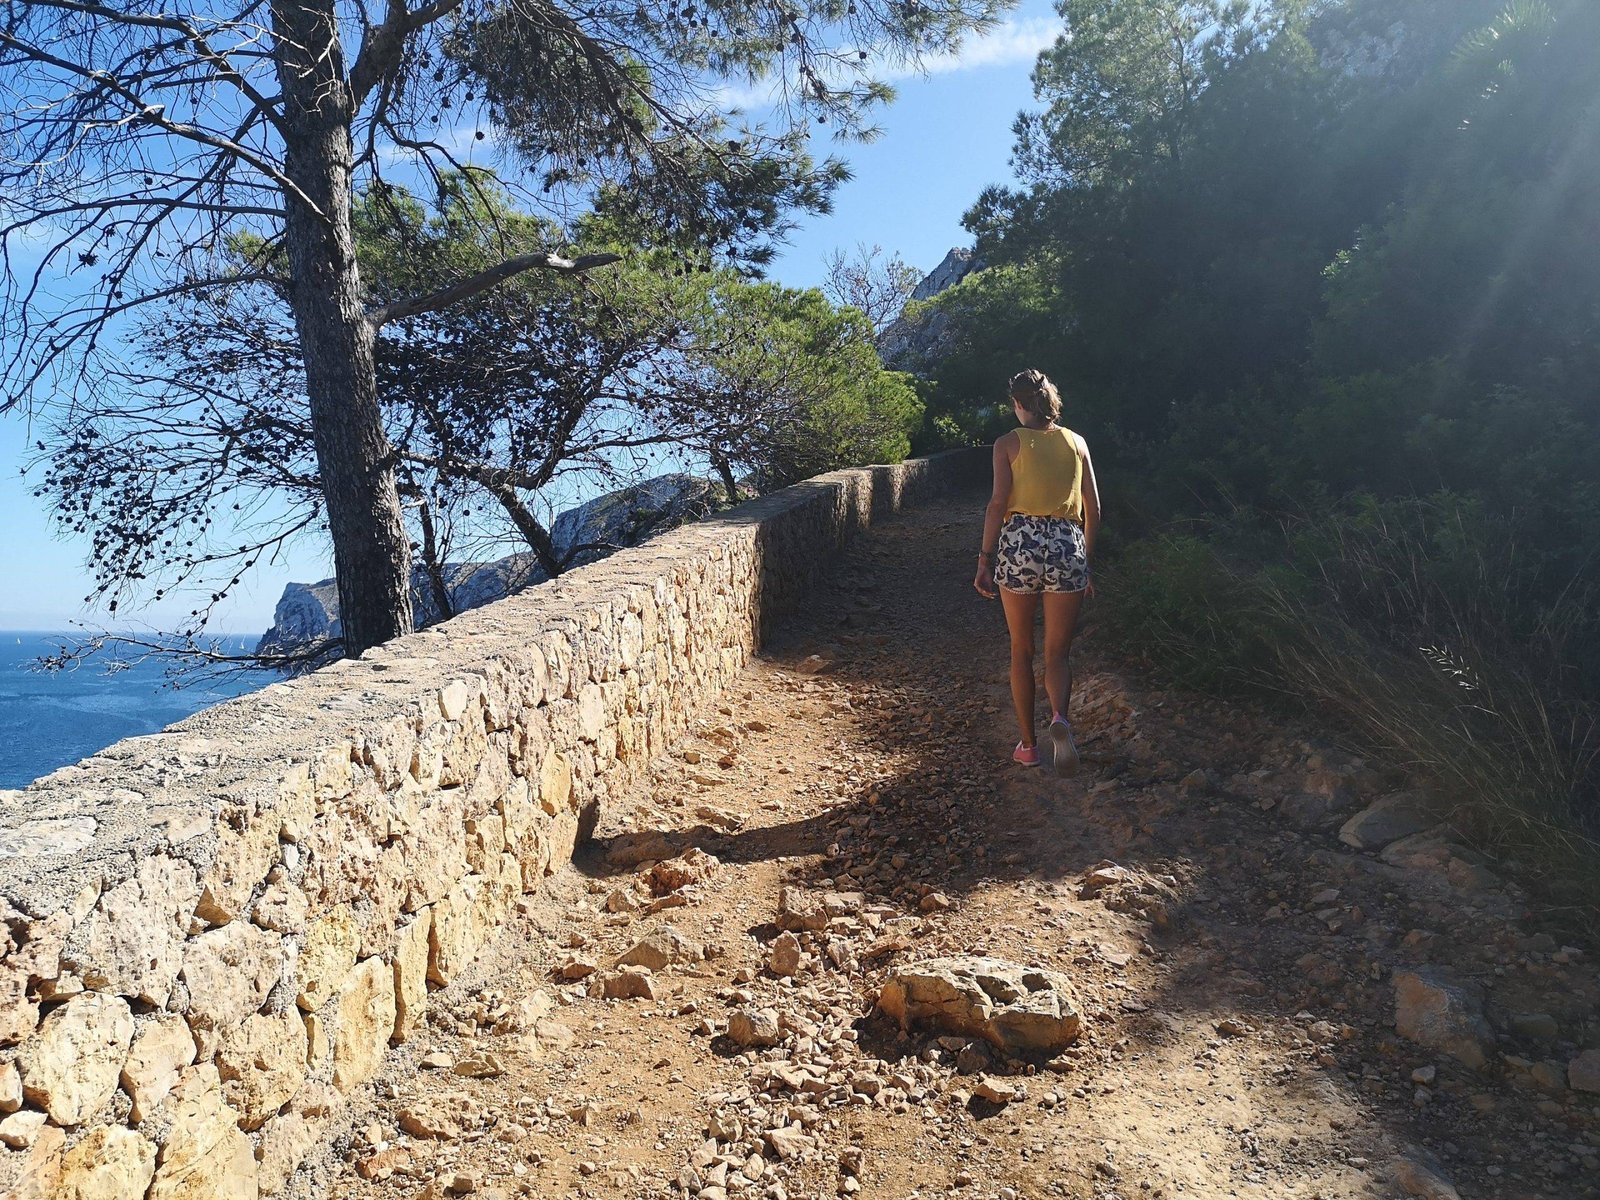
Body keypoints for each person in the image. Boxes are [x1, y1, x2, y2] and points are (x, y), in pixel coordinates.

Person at [972, 369, 1101, 772]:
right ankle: (1060, 720)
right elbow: (1094, 509)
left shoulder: (1008, 443)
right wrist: (1085, 562)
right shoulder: (1077, 442)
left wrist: (984, 559)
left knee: (1021, 649)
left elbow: (997, 504)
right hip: (1067, 544)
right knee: (1058, 652)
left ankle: (1028, 746)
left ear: (1018, 404)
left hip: (1020, 544)